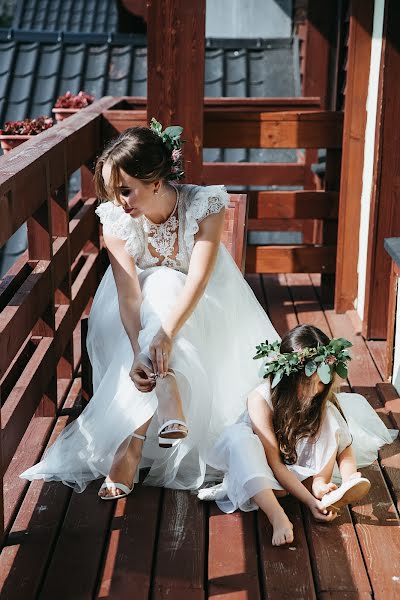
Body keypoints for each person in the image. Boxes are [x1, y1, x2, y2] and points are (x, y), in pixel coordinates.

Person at [20, 120, 280, 499]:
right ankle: (165, 387)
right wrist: (140, 351)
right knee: (156, 285)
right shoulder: (115, 220)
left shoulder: (204, 205)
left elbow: (198, 281)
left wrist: (164, 335)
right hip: (135, 314)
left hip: (204, 305)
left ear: (156, 181)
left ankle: (133, 440)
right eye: (112, 191)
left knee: (168, 283)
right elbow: (128, 297)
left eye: (125, 191)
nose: (118, 201)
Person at [198, 324, 397, 546]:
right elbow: (274, 463)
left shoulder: (320, 400)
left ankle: (321, 484)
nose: (314, 391)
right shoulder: (260, 400)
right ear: (288, 377)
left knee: (329, 417)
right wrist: (311, 503)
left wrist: (350, 477)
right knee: (240, 440)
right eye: (306, 383)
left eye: (322, 383)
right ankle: (277, 515)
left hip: (297, 474)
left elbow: (344, 446)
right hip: (265, 472)